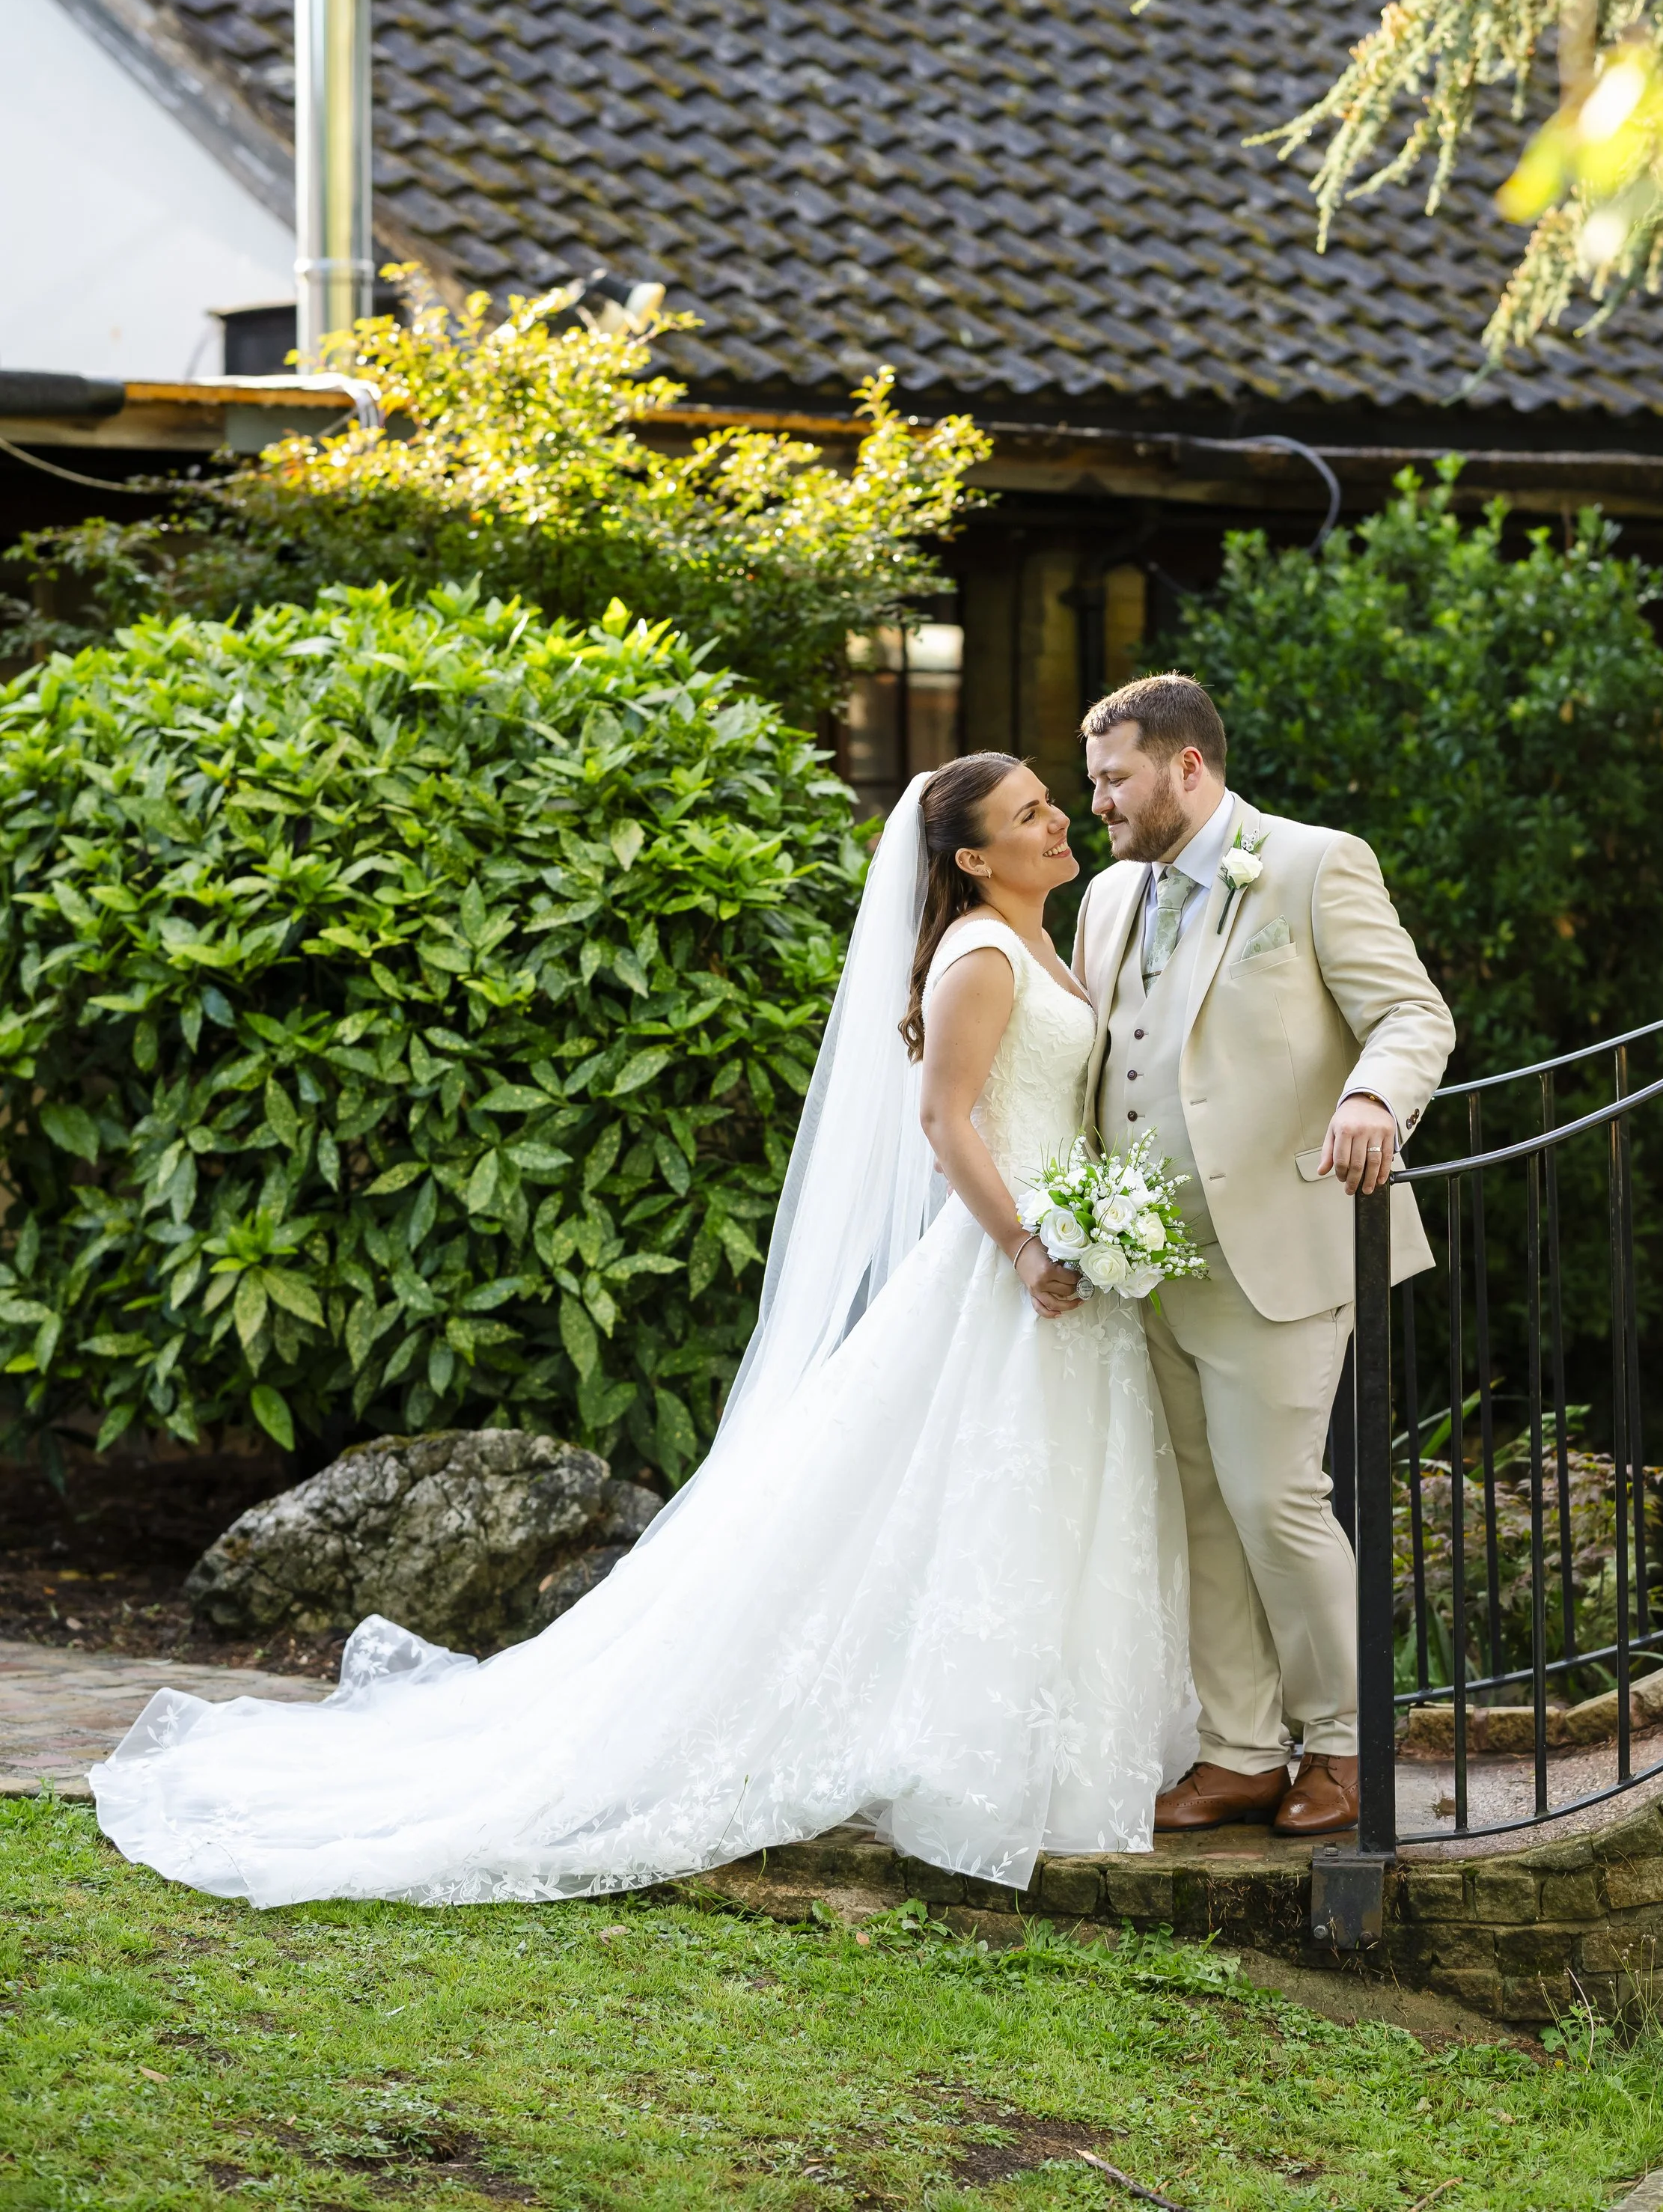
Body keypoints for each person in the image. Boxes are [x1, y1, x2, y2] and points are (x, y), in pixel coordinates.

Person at [92, 756, 1195, 1908]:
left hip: (1060, 1272)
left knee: (1016, 1508)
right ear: (972, 857)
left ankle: (1041, 1750)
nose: (1058, 817)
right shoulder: (980, 952)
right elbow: (943, 1116)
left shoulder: (1044, 937)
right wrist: (1026, 1242)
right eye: (1030, 811)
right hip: (1007, 1270)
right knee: (969, 1505)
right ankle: (972, 1757)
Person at [1074, 675, 1454, 1839]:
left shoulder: (1312, 862)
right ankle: (1238, 1749)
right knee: (1196, 1506)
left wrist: (1373, 1100)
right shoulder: (1101, 899)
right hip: (1145, 1263)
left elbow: (1412, 1014)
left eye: (1114, 778)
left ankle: (1344, 1743)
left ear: (1189, 766)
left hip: (1281, 1245)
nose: (1098, 804)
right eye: (1092, 782)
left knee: (1276, 1495)